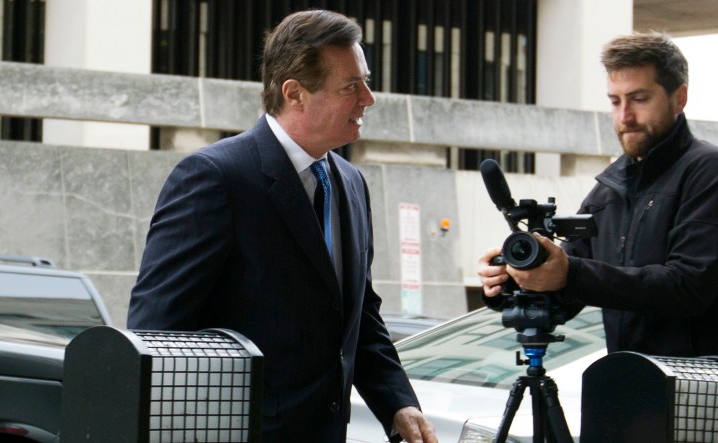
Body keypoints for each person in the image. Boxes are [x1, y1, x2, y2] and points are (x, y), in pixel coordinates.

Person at [127, 9, 437, 443]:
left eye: (365, 81)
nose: (368, 98)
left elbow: (357, 313)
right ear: (295, 93)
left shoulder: (351, 183)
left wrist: (397, 402)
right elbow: (156, 333)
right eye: (352, 85)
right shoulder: (215, 177)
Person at [478, 32, 718, 358]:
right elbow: (563, 291)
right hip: (622, 387)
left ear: (679, 98)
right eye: (615, 101)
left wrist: (571, 273)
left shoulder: (707, 170)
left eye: (639, 99)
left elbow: (689, 286)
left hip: (695, 395)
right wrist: (509, 281)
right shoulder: (609, 187)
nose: (624, 117)